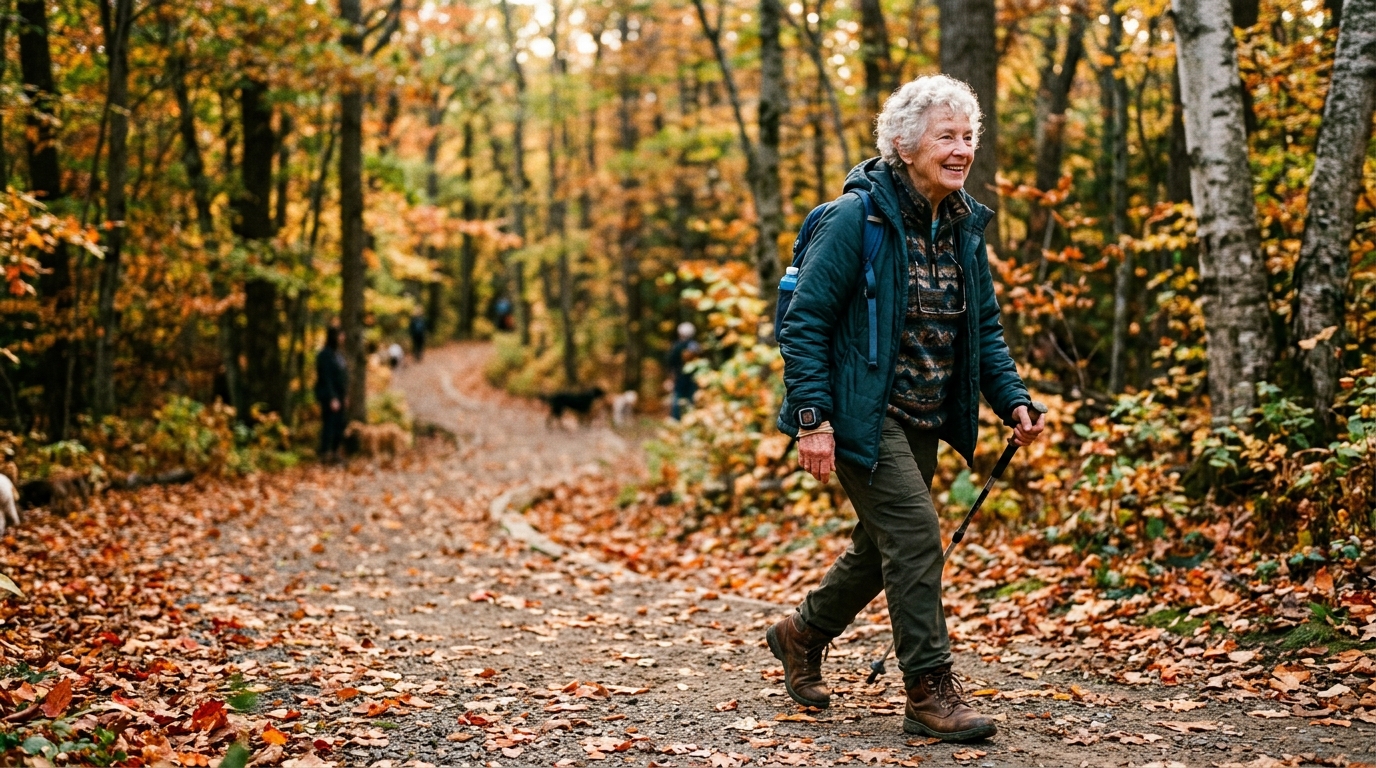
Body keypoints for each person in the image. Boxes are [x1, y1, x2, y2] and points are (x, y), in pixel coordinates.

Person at [771, 75, 1046, 743]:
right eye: (946, 136)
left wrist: (1011, 397)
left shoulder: (960, 227)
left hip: (925, 411)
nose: (961, 150)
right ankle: (927, 689)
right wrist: (813, 420)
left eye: (968, 136)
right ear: (902, 143)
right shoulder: (853, 220)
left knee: (882, 544)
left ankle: (800, 633)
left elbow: (983, 328)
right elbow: (804, 324)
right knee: (917, 536)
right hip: (861, 411)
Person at [315, 325, 348, 463]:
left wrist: (344, 395)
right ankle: (325, 453)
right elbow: (326, 378)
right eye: (340, 335)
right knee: (329, 424)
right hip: (329, 395)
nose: (343, 338)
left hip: (340, 395)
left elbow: (343, 375)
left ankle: (335, 452)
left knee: (340, 424)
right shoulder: (324, 355)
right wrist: (332, 397)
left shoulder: (338, 355)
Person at [664, 322, 701, 420]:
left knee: (677, 399)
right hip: (691, 377)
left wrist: (670, 377)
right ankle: (690, 419)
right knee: (690, 399)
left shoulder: (676, 346)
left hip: (679, 376)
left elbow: (670, 362)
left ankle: (676, 420)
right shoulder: (695, 346)